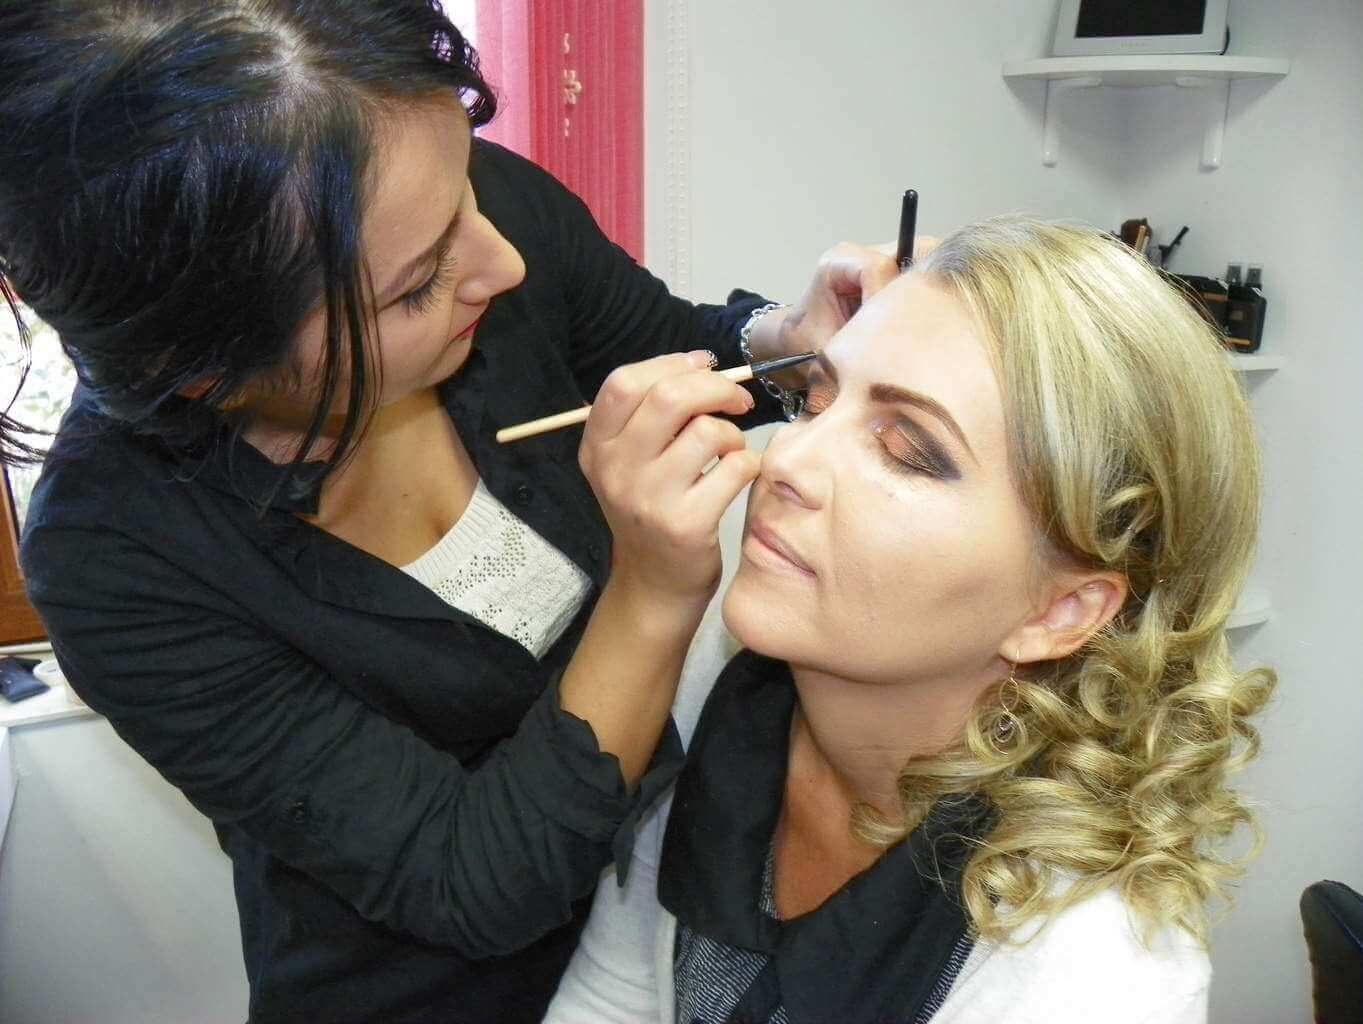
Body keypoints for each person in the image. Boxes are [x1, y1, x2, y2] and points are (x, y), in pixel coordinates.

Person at [0, 3, 891, 1020]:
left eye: (465, 185)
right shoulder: (116, 557)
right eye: (419, 284)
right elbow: (476, 880)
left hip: (648, 936)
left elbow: (665, 345)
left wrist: (787, 339)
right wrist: (650, 596)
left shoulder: (456, 213)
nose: (501, 264)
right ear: (211, 368)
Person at [550, 216, 1277, 1023]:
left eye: (906, 451)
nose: (784, 459)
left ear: (1061, 608)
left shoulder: (1094, 974)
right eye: (814, 400)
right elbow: (613, 996)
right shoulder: (725, 694)